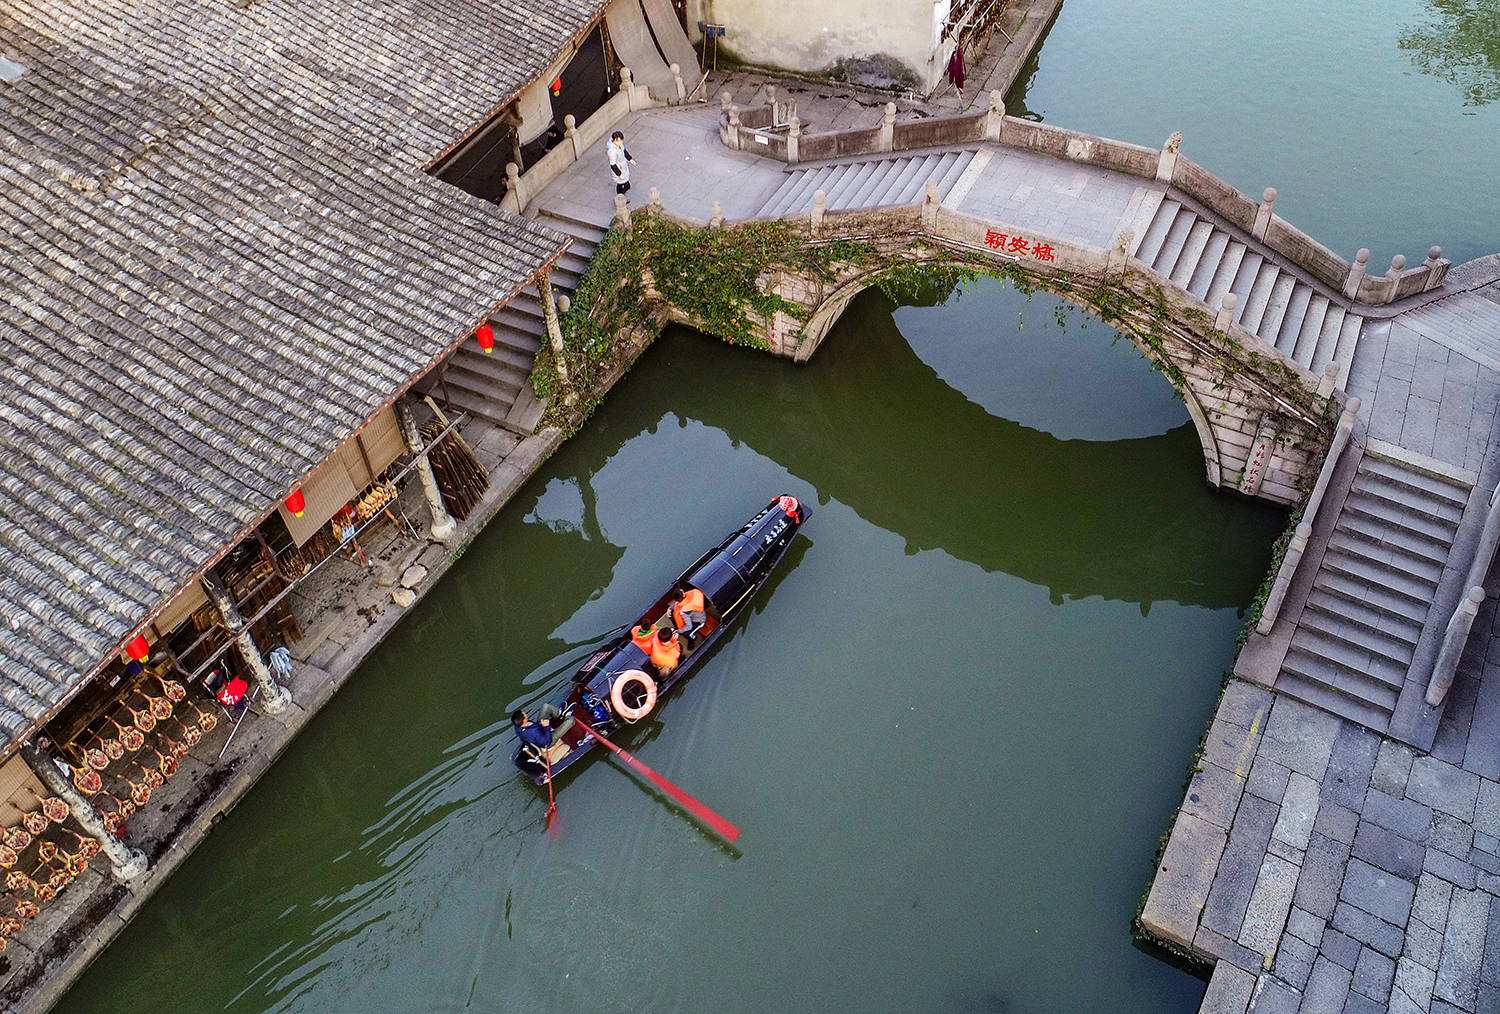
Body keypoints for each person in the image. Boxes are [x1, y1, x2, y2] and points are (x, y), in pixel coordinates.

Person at [607, 130, 635, 198]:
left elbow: (624, 151)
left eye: (621, 140)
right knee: (620, 183)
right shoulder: (612, 152)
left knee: (625, 178)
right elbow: (613, 165)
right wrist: (619, 174)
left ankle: (626, 185)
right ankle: (620, 197)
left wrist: (630, 159)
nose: (621, 142)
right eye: (619, 140)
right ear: (614, 140)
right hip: (619, 168)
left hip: (623, 165)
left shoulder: (620, 144)